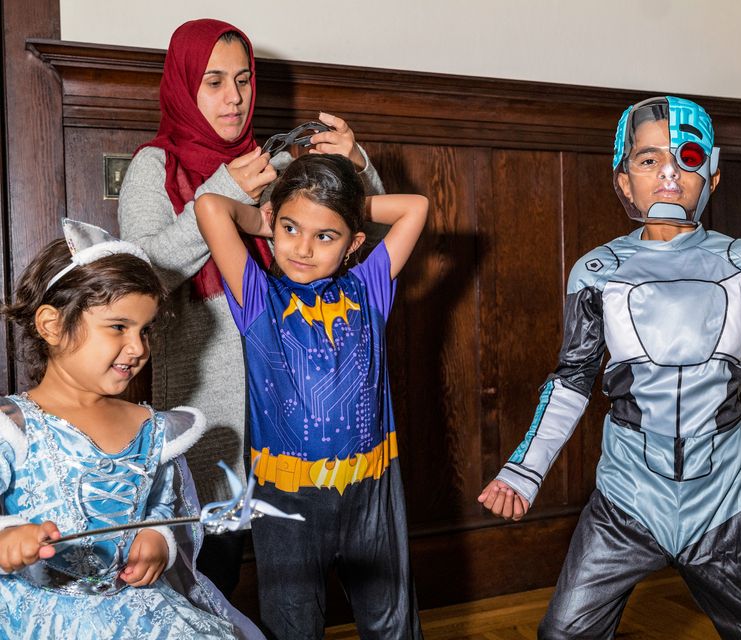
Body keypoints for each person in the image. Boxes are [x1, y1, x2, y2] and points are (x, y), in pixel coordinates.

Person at [478, 96, 741, 639]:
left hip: (728, 499)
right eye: (649, 160)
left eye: (688, 156)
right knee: (566, 632)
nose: (670, 174)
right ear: (623, 179)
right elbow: (573, 377)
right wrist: (524, 470)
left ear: (713, 176)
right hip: (627, 497)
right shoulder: (597, 271)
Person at [117, 18, 385, 596]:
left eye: (243, 80)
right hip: (215, 415)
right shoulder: (154, 167)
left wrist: (358, 163)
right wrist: (226, 193)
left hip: (299, 409)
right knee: (207, 572)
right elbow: (142, 279)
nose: (233, 98)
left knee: (293, 581)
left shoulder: (275, 162)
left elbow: (367, 243)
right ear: (183, 85)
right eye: (213, 81)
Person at [194, 153, 427, 639]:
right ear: (274, 227)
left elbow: (416, 207)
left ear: (353, 243)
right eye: (290, 228)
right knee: (291, 623)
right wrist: (262, 216)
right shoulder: (256, 296)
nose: (302, 247)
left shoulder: (370, 287)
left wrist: (344, 198)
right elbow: (212, 207)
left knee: (392, 622)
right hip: (286, 499)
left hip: (372, 489)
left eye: (325, 236)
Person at [0, 219, 265, 639]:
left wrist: (158, 537)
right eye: (119, 327)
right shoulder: (11, 428)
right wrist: (6, 537)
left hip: (136, 611)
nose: (139, 347)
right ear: (51, 325)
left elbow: (164, 506)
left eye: (146, 330)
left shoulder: (150, 427)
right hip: (40, 617)